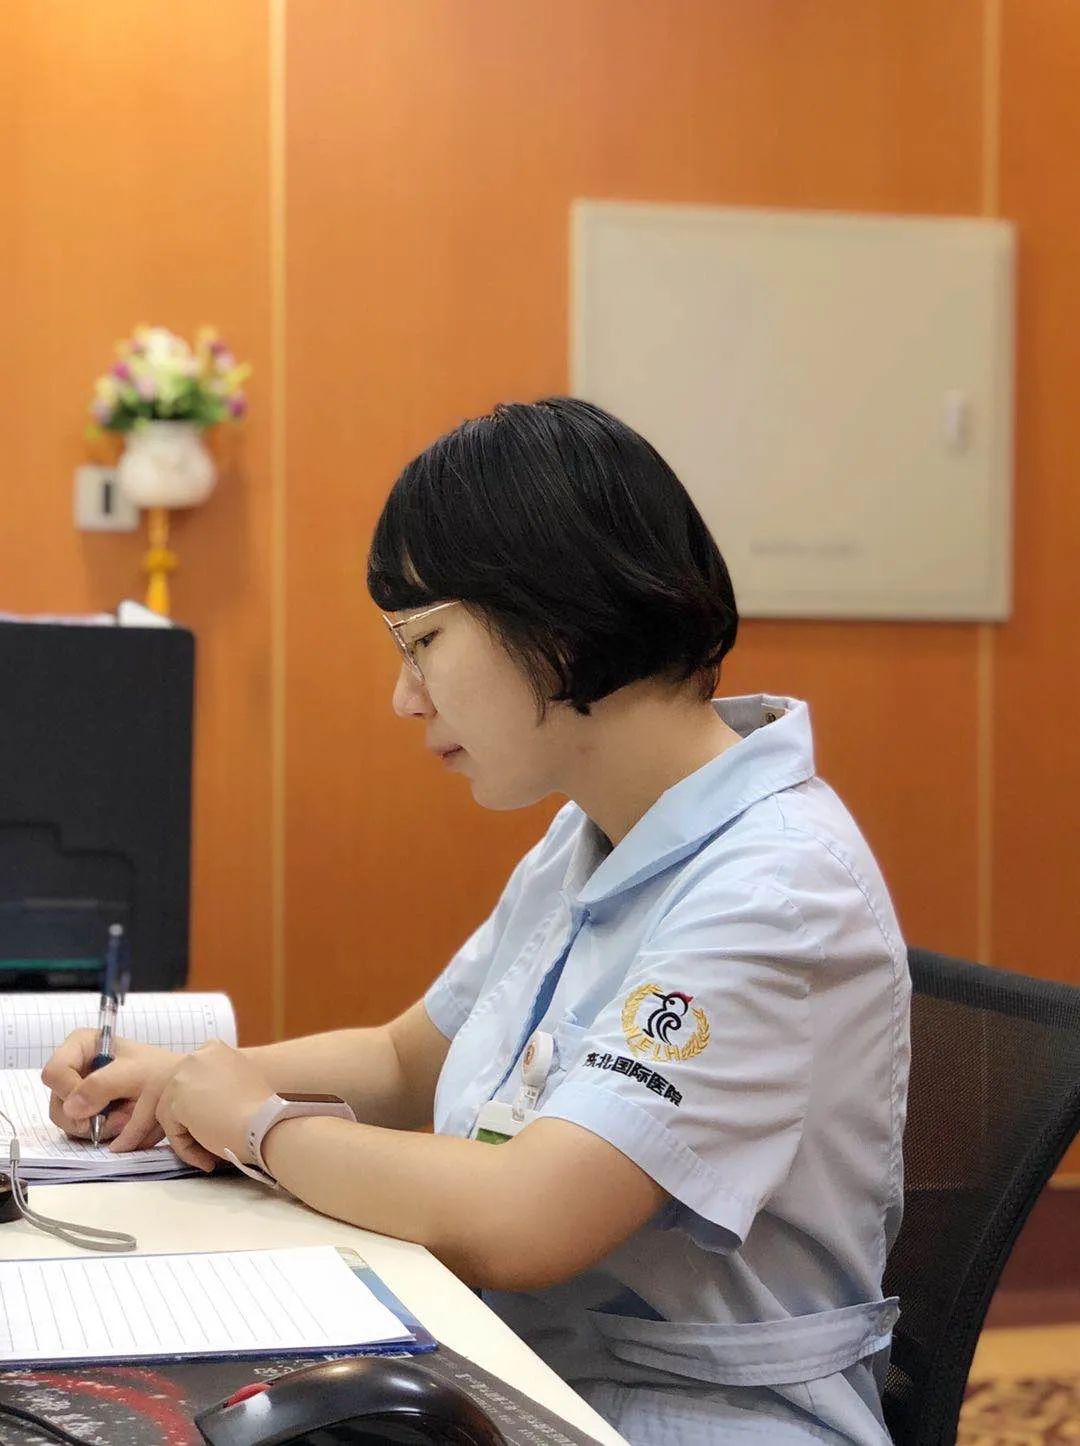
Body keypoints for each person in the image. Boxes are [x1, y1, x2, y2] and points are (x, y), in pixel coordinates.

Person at [44, 398, 910, 1445]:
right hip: (526, 1359)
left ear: (556, 617)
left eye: (424, 640)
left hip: (696, 1415)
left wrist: (258, 1126)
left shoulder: (775, 887)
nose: (406, 698)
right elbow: (408, 1057)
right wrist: (189, 1079)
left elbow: (526, 1216)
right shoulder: (595, 830)